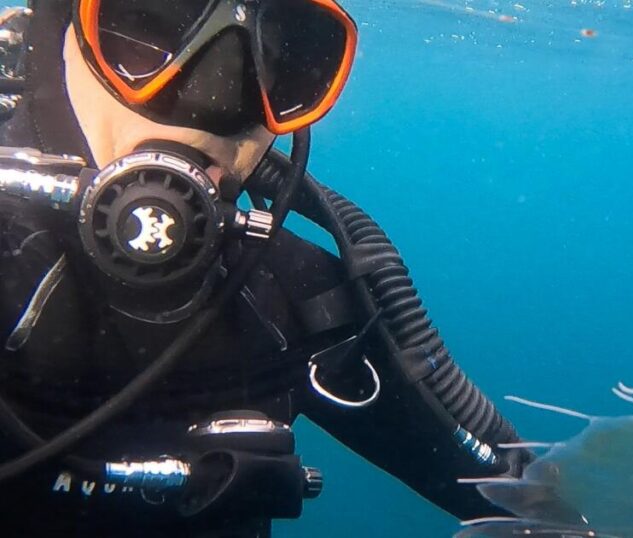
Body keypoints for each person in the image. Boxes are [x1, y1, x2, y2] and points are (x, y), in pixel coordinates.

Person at [0, 1, 577, 536]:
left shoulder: (293, 301)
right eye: (148, 25)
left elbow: (522, 503)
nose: (216, 99)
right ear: (60, 30)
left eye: (271, 61)